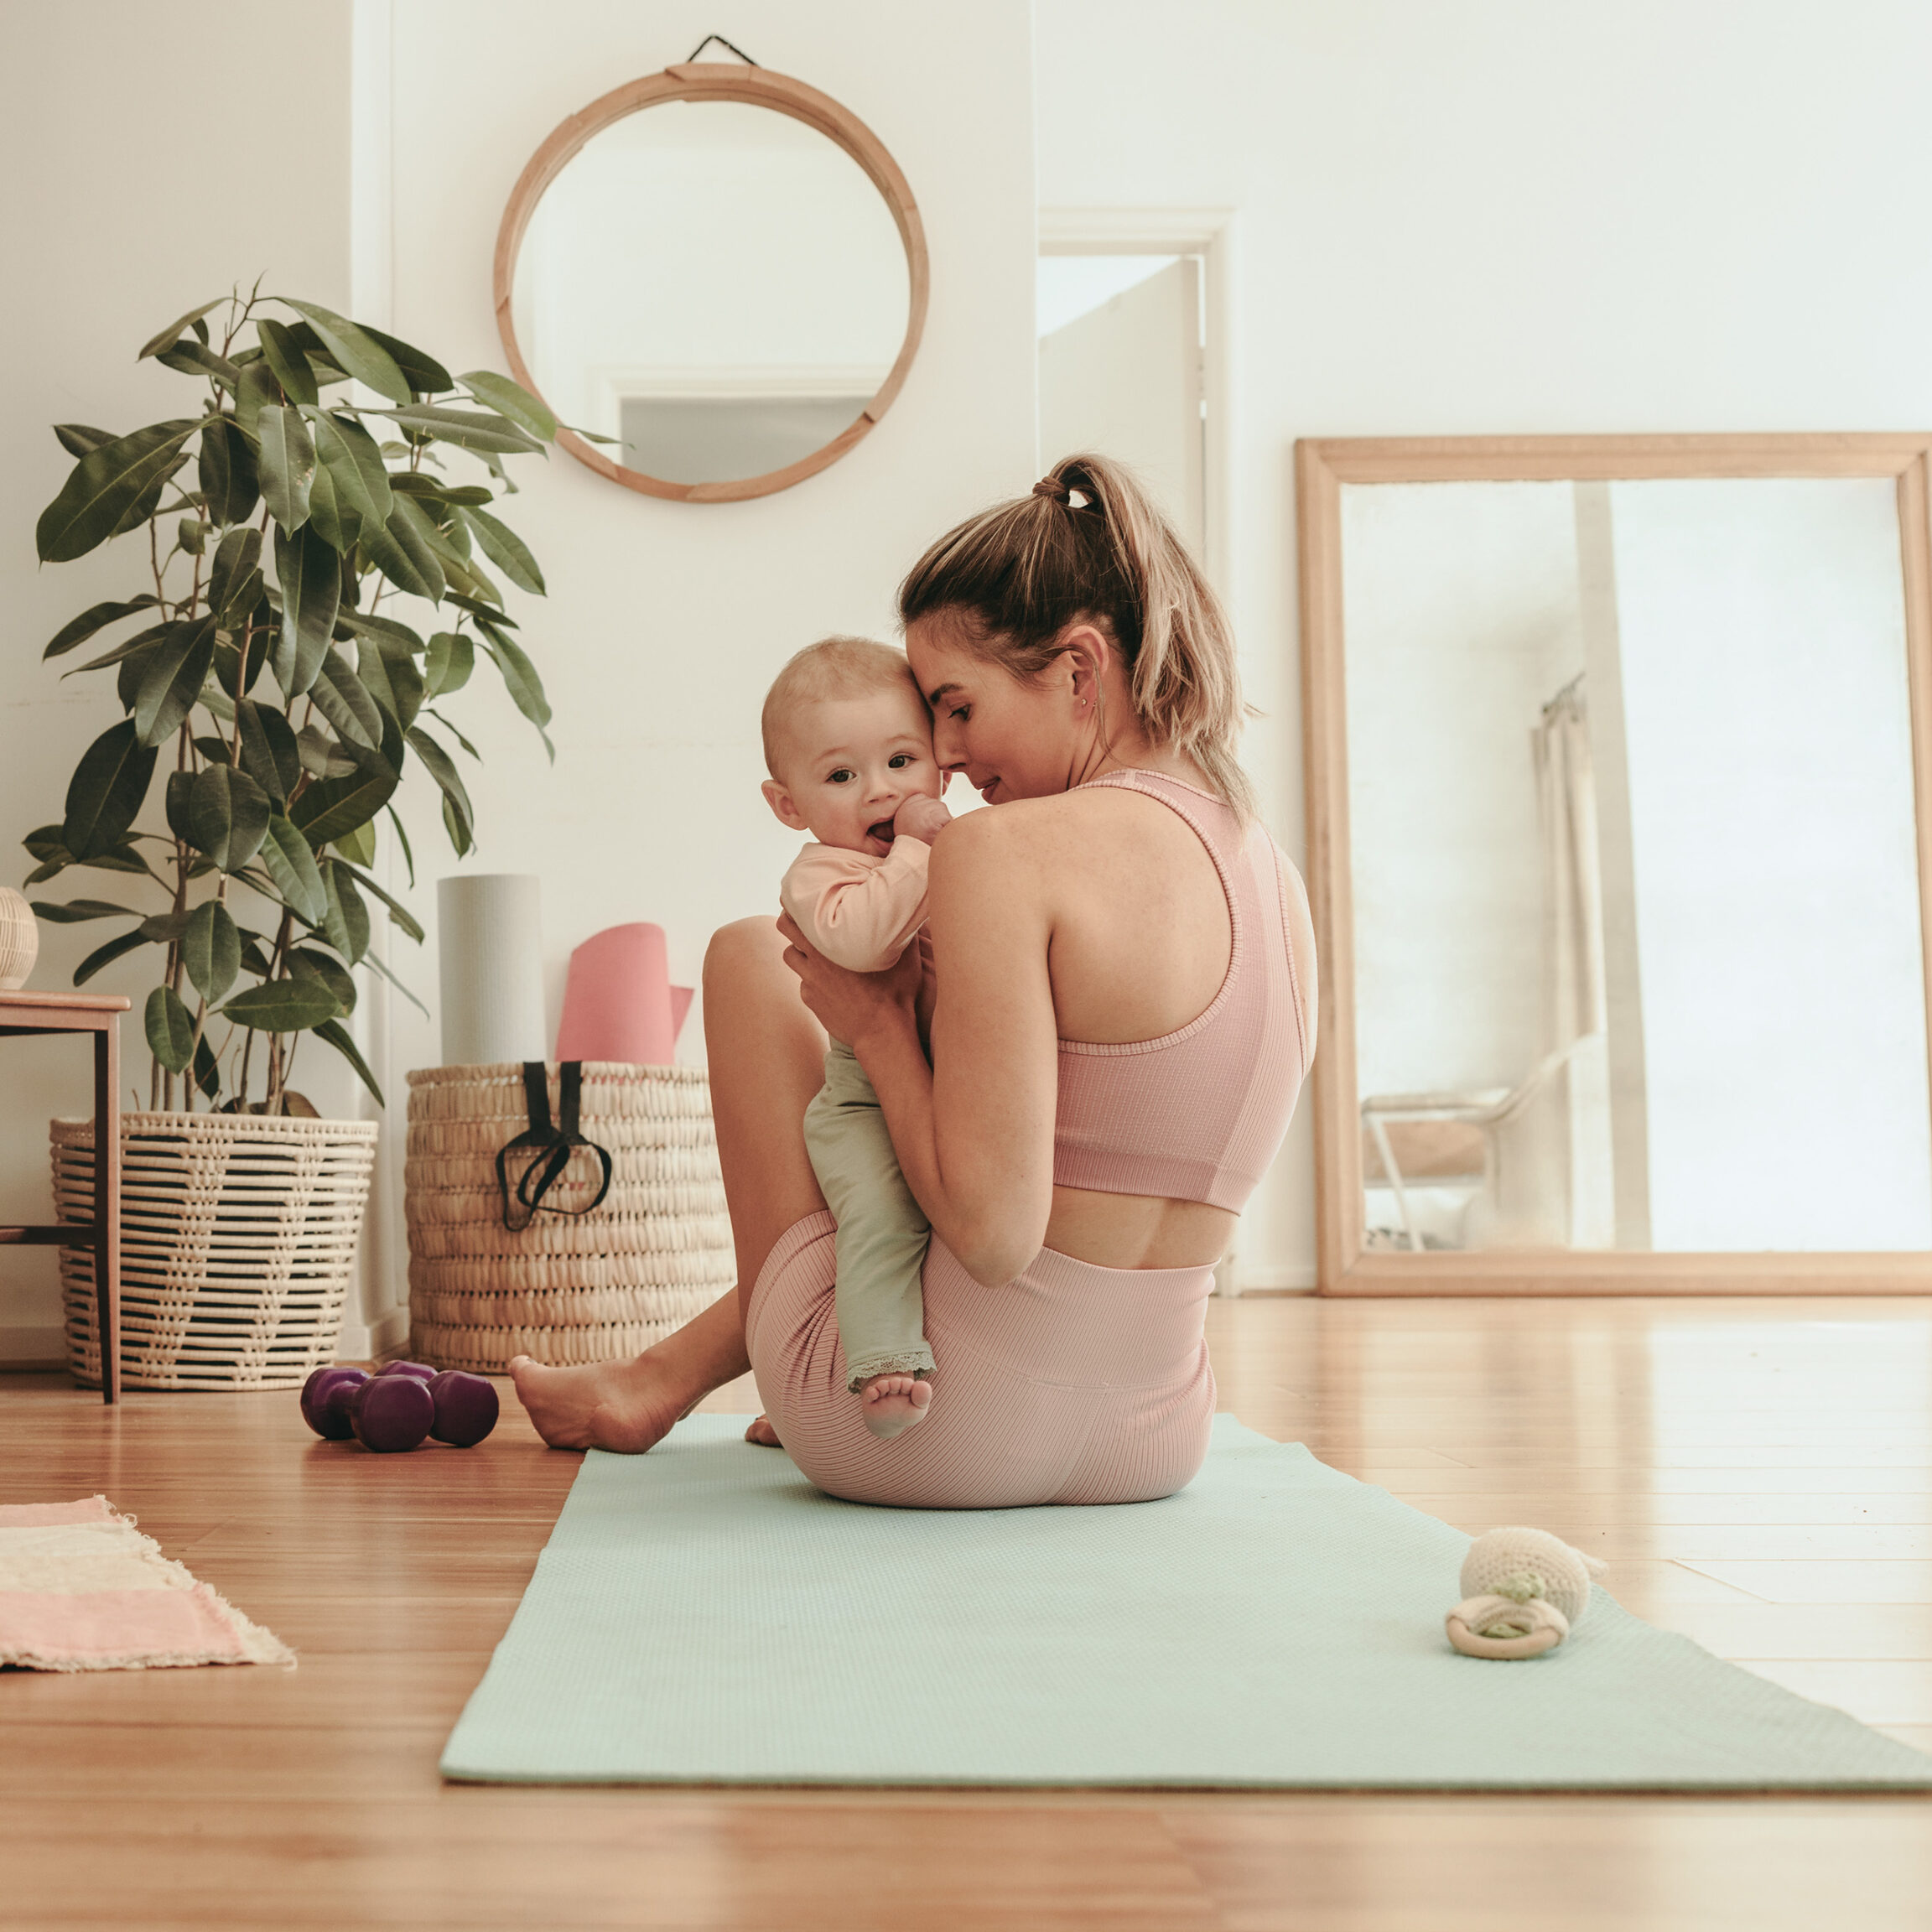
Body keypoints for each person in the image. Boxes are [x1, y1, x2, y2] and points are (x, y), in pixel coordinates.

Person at [510, 454, 1318, 1509]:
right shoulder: (1272, 869)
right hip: (1157, 1439)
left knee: (753, 951)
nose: (941, 754)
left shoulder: (1008, 852)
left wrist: (882, 1025)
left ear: (1079, 670)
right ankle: (664, 1377)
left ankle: (742, 1367)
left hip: (932, 1433)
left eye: (955, 706)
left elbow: (992, 1239)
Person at [761, 636, 954, 1439]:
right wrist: (921, 846)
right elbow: (867, 944)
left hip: (949, 1086)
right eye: (842, 776)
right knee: (884, 1214)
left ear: (941, 764)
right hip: (863, 1109)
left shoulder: (955, 849)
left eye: (903, 761)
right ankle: (882, 1365)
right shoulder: (822, 876)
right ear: (789, 806)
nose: (881, 791)